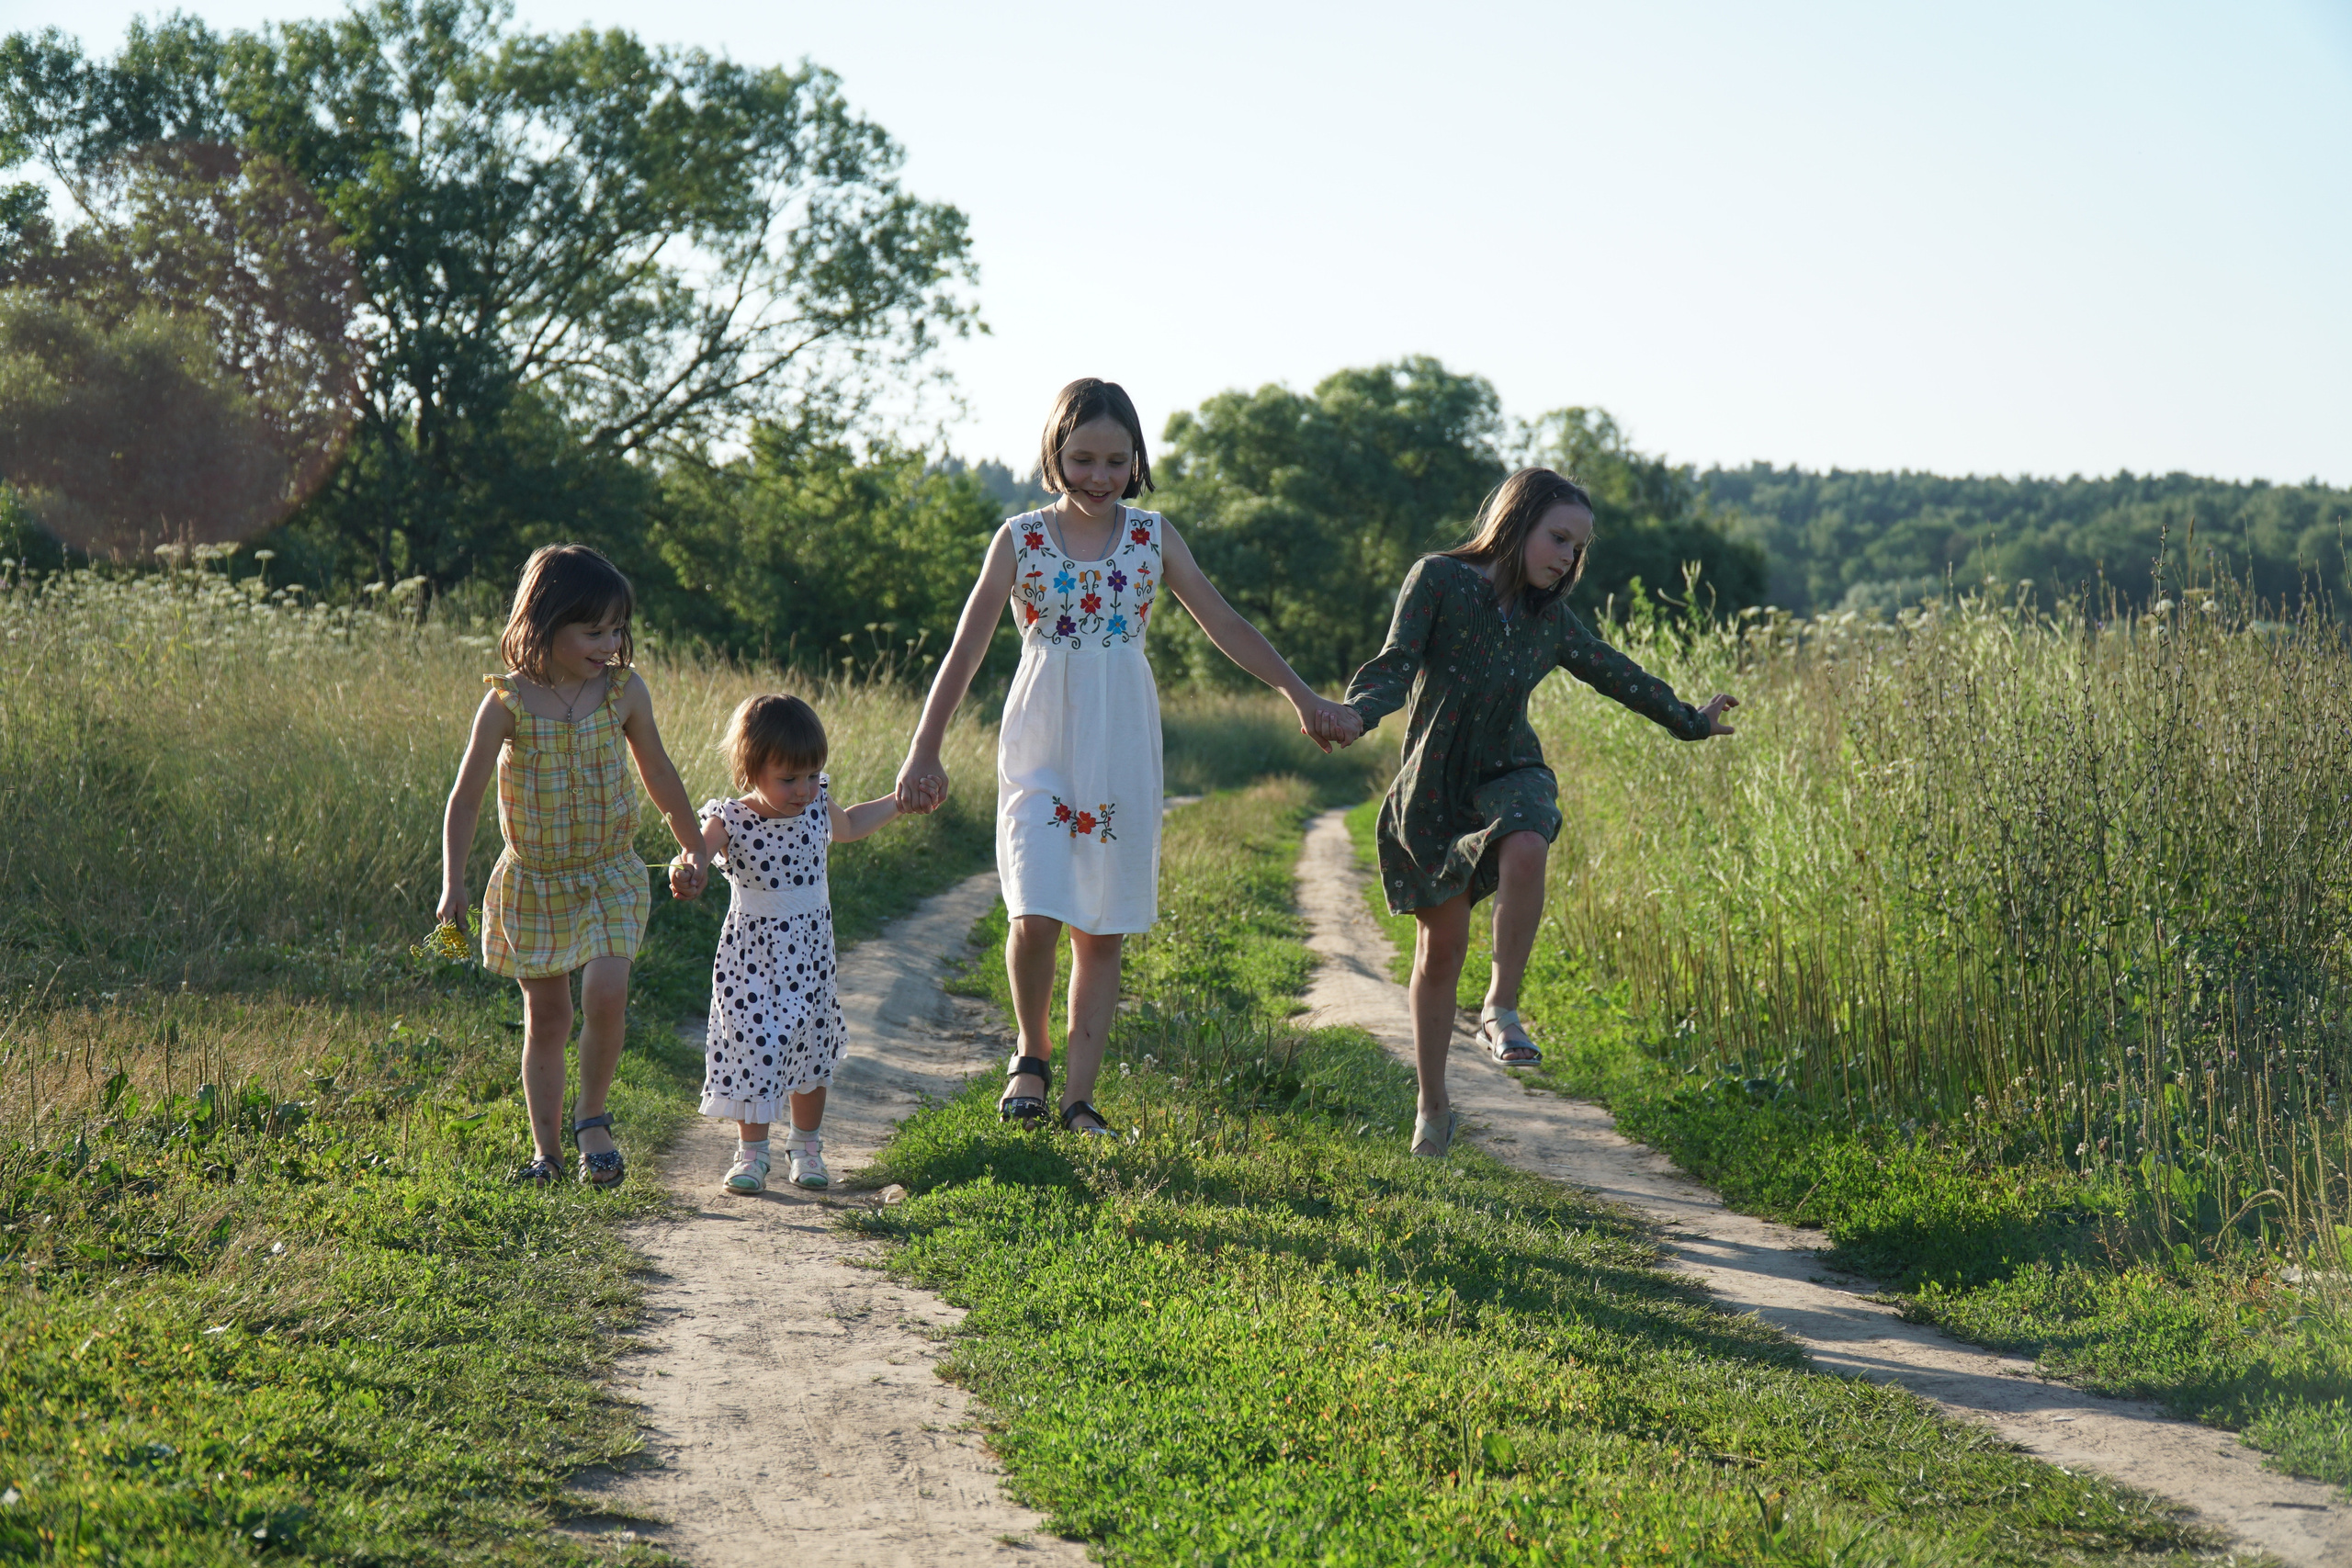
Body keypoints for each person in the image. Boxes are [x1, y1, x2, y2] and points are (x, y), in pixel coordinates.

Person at [895, 377, 1360, 1134]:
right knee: (1035, 908)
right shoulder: (1020, 539)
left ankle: (1079, 1099)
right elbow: (967, 646)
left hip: (1120, 746)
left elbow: (1224, 622)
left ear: (1137, 459)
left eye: (1117, 460)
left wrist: (1303, 697)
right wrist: (925, 748)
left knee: (1101, 926)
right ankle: (1031, 1057)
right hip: (1041, 742)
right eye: (1082, 459)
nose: (1100, 477)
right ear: (1055, 454)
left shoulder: (1152, 537)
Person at [1342, 468, 1737, 1157]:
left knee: (1529, 840)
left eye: (1577, 549)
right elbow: (1396, 664)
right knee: (1440, 953)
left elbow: (1616, 672)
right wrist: (1354, 713)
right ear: (1516, 521)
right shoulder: (1436, 579)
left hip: (1509, 769)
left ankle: (1500, 1006)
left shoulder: (1548, 618)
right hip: (1435, 786)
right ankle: (1433, 1107)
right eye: (1558, 538)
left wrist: (1689, 721)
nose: (1566, 558)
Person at [439, 544, 709, 1187]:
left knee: (607, 988)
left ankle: (593, 1119)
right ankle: (547, 1152)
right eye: (593, 630)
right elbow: (466, 797)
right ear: (543, 623)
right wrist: (453, 881)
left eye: (618, 628)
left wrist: (692, 844)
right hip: (534, 881)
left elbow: (661, 776)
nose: (610, 643)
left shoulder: (623, 690)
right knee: (550, 1018)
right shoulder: (507, 702)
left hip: (609, 871)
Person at [680, 694, 907, 1194]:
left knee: (809, 1048)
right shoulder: (730, 818)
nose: (804, 789)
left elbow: (849, 827)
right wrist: (689, 870)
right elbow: (697, 851)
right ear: (750, 767)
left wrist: (897, 802)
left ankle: (806, 1147)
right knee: (755, 1047)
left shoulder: (816, 803)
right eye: (789, 779)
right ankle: (752, 1154)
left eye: (811, 775)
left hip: (810, 956)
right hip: (751, 958)